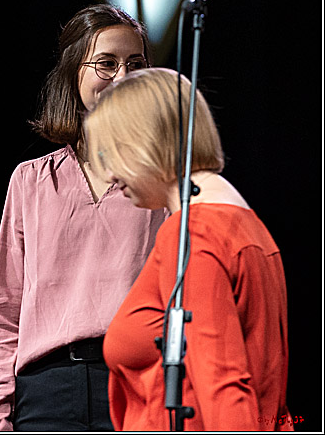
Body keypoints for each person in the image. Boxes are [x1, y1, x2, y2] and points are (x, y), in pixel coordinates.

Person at [0, 3, 167, 431]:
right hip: (45, 394)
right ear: (73, 72)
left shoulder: (163, 180)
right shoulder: (31, 180)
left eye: (135, 64)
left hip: (138, 388)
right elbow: (3, 312)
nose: (122, 77)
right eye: (106, 63)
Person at [84, 68, 291, 431]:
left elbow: (223, 384)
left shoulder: (194, 230)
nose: (111, 176)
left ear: (144, 142)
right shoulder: (245, 224)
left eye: (111, 152)